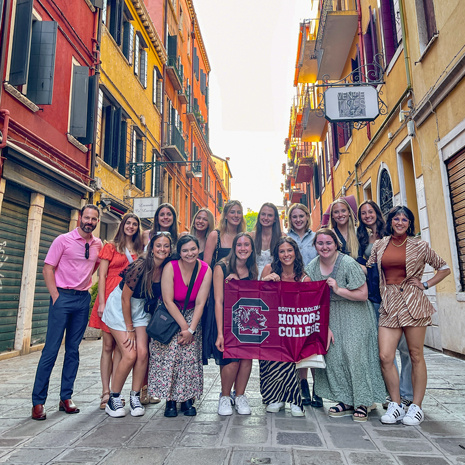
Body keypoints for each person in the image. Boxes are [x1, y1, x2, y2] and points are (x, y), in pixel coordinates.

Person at [367, 206, 450, 425]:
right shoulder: (380, 244)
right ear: (391, 221)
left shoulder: (420, 245)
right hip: (389, 303)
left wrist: (425, 283)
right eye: (397, 218)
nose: (400, 222)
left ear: (409, 223)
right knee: (385, 356)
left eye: (405, 219)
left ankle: (416, 406)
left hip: (413, 302)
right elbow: (368, 269)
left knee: (415, 355)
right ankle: (396, 405)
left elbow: (444, 268)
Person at [305, 228, 386, 422]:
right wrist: (323, 326)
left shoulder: (348, 263)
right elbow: (309, 297)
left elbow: (363, 294)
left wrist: (339, 290)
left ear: (336, 245)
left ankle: (363, 402)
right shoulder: (313, 266)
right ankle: (346, 400)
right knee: (336, 356)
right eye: (320, 243)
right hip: (330, 315)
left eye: (328, 243)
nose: (324, 247)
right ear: (315, 246)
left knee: (355, 356)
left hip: (355, 312)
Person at [31, 204, 102, 421]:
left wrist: (86, 285)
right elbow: (48, 268)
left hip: (82, 299)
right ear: (80, 217)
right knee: (51, 350)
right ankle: (38, 402)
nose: (89, 222)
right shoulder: (63, 240)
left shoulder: (98, 244)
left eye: (94, 219)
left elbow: (97, 266)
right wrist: (55, 296)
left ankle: (65, 397)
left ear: (97, 221)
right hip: (62, 297)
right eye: (87, 217)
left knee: (73, 350)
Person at [102, 232, 172, 417]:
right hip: (120, 308)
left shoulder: (167, 267)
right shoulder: (140, 266)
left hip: (140, 309)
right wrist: (129, 328)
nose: (162, 249)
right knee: (130, 353)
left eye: (166, 246)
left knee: (143, 353)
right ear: (151, 247)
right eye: (158, 245)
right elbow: (125, 298)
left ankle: (134, 396)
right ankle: (113, 398)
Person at [357, 200, 414, 409]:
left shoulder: (390, 232)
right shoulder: (361, 237)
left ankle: (407, 393)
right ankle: (394, 393)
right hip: (375, 298)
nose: (367, 215)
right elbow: (363, 266)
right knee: (385, 350)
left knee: (406, 348)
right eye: (363, 213)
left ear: (377, 213)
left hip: (399, 296)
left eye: (370, 211)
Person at [149, 235, 212, 417]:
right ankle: (170, 400)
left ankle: (187, 399)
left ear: (198, 249)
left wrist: (191, 329)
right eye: (185, 250)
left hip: (193, 315)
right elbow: (167, 300)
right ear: (179, 252)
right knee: (170, 357)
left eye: (193, 249)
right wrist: (184, 327)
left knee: (189, 358)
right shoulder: (171, 267)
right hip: (170, 315)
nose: (189, 253)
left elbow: (200, 302)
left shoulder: (205, 270)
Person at [88, 213, 144, 409]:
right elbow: (101, 275)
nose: (131, 226)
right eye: (128, 223)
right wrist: (101, 302)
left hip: (126, 302)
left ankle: (115, 392)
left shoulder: (139, 249)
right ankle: (105, 392)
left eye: (134, 224)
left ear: (138, 228)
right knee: (107, 346)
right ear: (122, 225)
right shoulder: (111, 246)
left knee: (122, 348)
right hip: (109, 300)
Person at [260, 237, 312, 417]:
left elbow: (309, 308)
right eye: (282, 251)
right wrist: (266, 282)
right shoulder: (269, 270)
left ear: (295, 253)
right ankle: (276, 397)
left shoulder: (304, 278)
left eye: (289, 250)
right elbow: (258, 297)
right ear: (277, 254)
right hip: (271, 325)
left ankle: (294, 399)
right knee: (272, 359)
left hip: (293, 327)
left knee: (290, 360)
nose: (286, 254)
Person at [214, 232, 258, 416]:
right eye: (239, 245)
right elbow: (218, 301)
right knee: (231, 361)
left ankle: (239, 395)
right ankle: (224, 396)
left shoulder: (253, 269)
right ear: (234, 247)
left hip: (246, 320)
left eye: (246, 245)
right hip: (225, 321)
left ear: (251, 248)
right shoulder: (221, 267)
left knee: (247, 359)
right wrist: (220, 333)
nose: (242, 248)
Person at [202, 200, 246, 366]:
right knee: (223, 336)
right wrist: (206, 293)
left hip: (238, 292)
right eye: (232, 212)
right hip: (219, 290)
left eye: (238, 212)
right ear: (226, 215)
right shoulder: (216, 235)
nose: (235, 215)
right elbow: (206, 267)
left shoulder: (242, 237)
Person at [286, 203, 319, 407]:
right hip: (293, 294)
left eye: (301, 216)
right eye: (294, 216)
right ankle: (302, 383)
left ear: (307, 217)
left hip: (314, 292)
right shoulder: (286, 238)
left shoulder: (316, 237)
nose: (298, 219)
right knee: (298, 340)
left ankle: (319, 387)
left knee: (314, 339)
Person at [250, 202, 284, 278]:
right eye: (263, 214)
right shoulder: (251, 236)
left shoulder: (282, 237)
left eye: (270, 215)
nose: (265, 218)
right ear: (259, 216)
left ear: (275, 219)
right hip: (253, 279)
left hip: (275, 279)